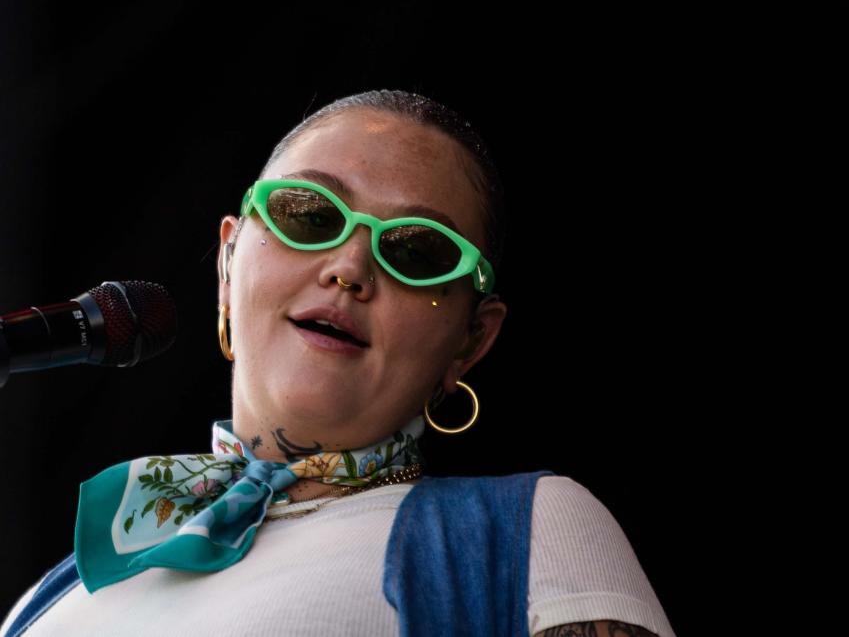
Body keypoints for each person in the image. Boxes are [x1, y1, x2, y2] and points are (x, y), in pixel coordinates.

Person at [0, 90, 677, 637]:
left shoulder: (532, 533)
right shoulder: (63, 591)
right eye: (309, 213)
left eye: (417, 252)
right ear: (229, 267)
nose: (349, 268)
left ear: (471, 342)